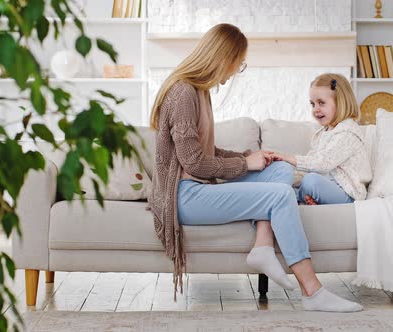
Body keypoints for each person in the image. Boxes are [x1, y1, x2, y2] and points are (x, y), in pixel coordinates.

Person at [147, 24, 363, 312]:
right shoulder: (183, 93)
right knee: (280, 195)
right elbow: (193, 162)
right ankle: (312, 291)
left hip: (199, 187)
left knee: (280, 172)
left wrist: (249, 156)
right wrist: (244, 164)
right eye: (240, 63)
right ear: (225, 58)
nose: (237, 70)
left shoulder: (200, 92)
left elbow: (205, 153)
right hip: (183, 197)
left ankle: (262, 245)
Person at [272, 73, 372, 205]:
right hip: (329, 187)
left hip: (348, 194)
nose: (315, 109)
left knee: (311, 181)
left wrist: (289, 158)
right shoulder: (322, 133)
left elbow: (322, 164)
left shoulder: (348, 132)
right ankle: (294, 195)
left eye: (321, 103)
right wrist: (287, 176)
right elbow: (310, 165)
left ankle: (294, 197)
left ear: (340, 103)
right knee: (292, 178)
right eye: (312, 104)